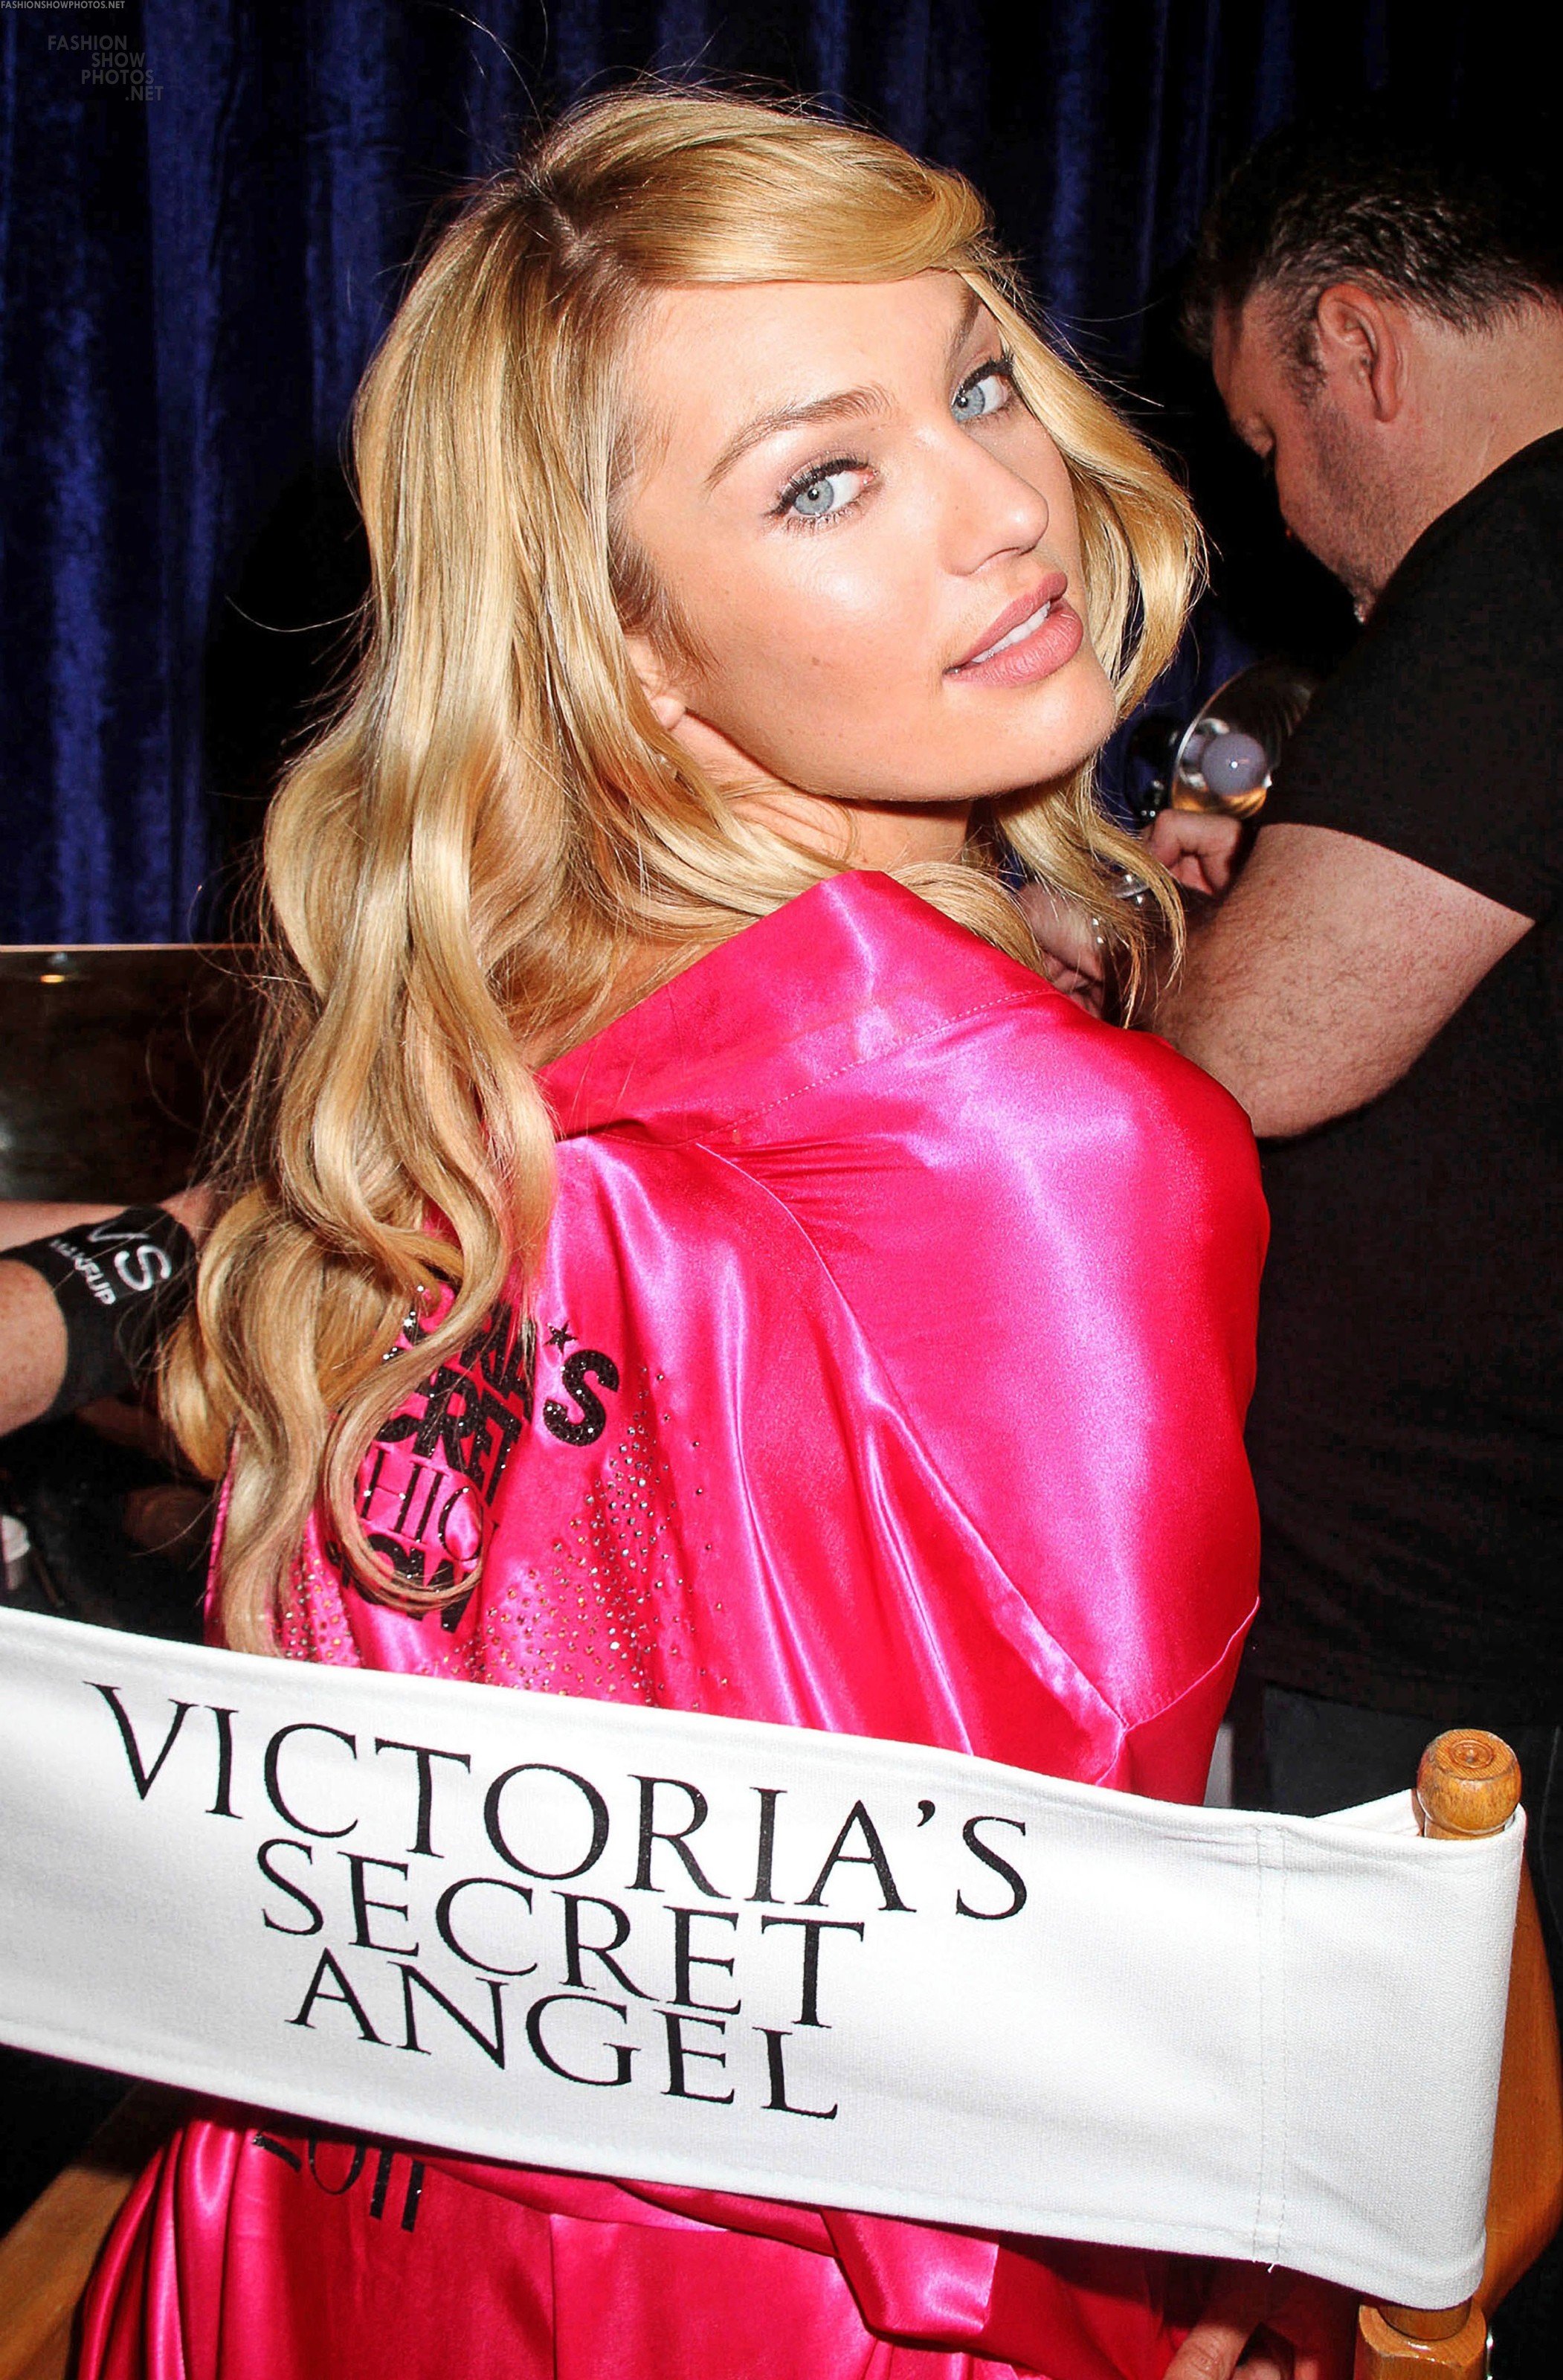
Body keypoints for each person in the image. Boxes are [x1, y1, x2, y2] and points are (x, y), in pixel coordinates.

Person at [68, 89, 1333, 2380]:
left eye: (976, 383)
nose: (1006, 505)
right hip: (755, 2310)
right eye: (823, 480)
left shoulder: (479, 1036)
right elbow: (1042, 1974)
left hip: (297, 2232)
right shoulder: (1053, 1147)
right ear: (628, 647)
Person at [1139, 114, 1563, 2367]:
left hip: (1444, 1629)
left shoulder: (1521, 561)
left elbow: (1261, 1044)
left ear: (1358, 345)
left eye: (1270, 438)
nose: (1289, 511)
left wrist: (1145, 952)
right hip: (1492, 1596)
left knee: (1414, 2243)